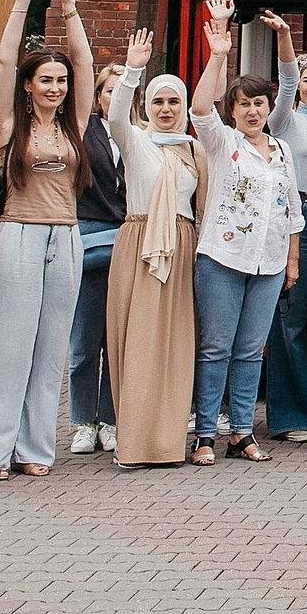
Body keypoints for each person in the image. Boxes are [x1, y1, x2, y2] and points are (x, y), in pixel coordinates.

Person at [0, 0, 96, 480]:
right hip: (19, 235)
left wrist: (70, 9)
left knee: (50, 349)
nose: (55, 87)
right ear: (28, 85)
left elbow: (85, 62)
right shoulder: (8, 124)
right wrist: (22, 2)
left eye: (60, 80)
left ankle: (35, 449)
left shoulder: (76, 126)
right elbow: (3, 63)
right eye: (45, 79)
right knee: (9, 345)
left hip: (66, 237)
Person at [187, 0, 302, 461]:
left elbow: (292, 210)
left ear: (269, 107)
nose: (253, 112)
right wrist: (219, 53)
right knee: (215, 348)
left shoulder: (281, 150)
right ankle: (204, 435)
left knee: (252, 350)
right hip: (222, 257)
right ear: (232, 110)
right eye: (244, 105)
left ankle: (241, 432)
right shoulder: (223, 143)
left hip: (270, 262)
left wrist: (292, 261)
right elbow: (199, 108)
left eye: (259, 104)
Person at [98, 38, 203, 465]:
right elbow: (116, 115)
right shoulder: (136, 141)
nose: (165, 109)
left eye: (173, 101)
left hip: (181, 246)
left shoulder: (192, 148)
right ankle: (134, 442)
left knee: (175, 346)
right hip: (140, 243)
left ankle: (166, 443)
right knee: (138, 342)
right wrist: (132, 71)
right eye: (158, 101)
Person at [260, 8, 307, 443]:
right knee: (292, 319)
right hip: (297, 219)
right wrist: (285, 36)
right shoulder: (284, 118)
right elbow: (285, 81)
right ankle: (291, 416)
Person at [68, 61, 127, 457]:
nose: (116, 97)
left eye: (124, 91)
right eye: (109, 90)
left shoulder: (139, 132)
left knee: (116, 340)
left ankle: (108, 419)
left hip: (128, 240)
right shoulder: (82, 130)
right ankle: (82, 421)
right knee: (85, 340)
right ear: (98, 95)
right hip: (91, 236)